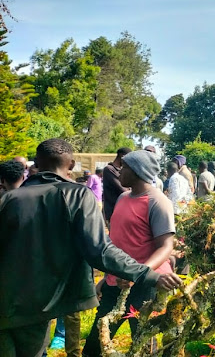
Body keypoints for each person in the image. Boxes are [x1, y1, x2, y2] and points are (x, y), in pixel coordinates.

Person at [0, 139, 181, 357]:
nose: (117, 170)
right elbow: (100, 249)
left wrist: (144, 274)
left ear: (36, 163)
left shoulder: (8, 199)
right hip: (33, 307)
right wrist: (139, 275)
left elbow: (163, 244)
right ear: (71, 164)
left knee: (142, 338)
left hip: (11, 301)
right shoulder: (77, 195)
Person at [82, 150, 178, 357]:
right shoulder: (123, 198)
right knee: (93, 347)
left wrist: (139, 274)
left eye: (124, 167)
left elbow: (166, 246)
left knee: (143, 344)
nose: (119, 171)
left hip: (144, 285)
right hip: (116, 282)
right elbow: (118, 242)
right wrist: (108, 277)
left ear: (137, 171)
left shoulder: (158, 202)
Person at [103, 147, 131, 222]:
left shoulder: (121, 170)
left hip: (123, 210)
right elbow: (124, 189)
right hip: (113, 211)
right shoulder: (109, 169)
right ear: (122, 156)